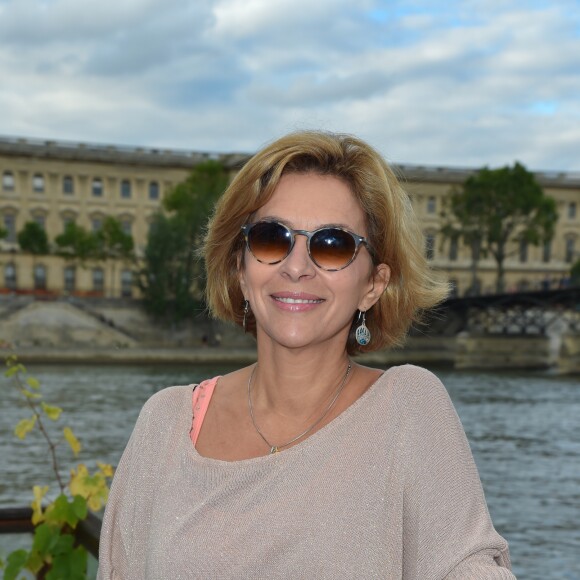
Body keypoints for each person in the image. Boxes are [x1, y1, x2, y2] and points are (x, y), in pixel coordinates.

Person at [97, 131, 515, 579]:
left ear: (373, 284)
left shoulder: (408, 408)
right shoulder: (165, 422)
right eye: (271, 238)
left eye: (332, 244)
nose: (296, 267)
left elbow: (465, 565)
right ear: (240, 268)